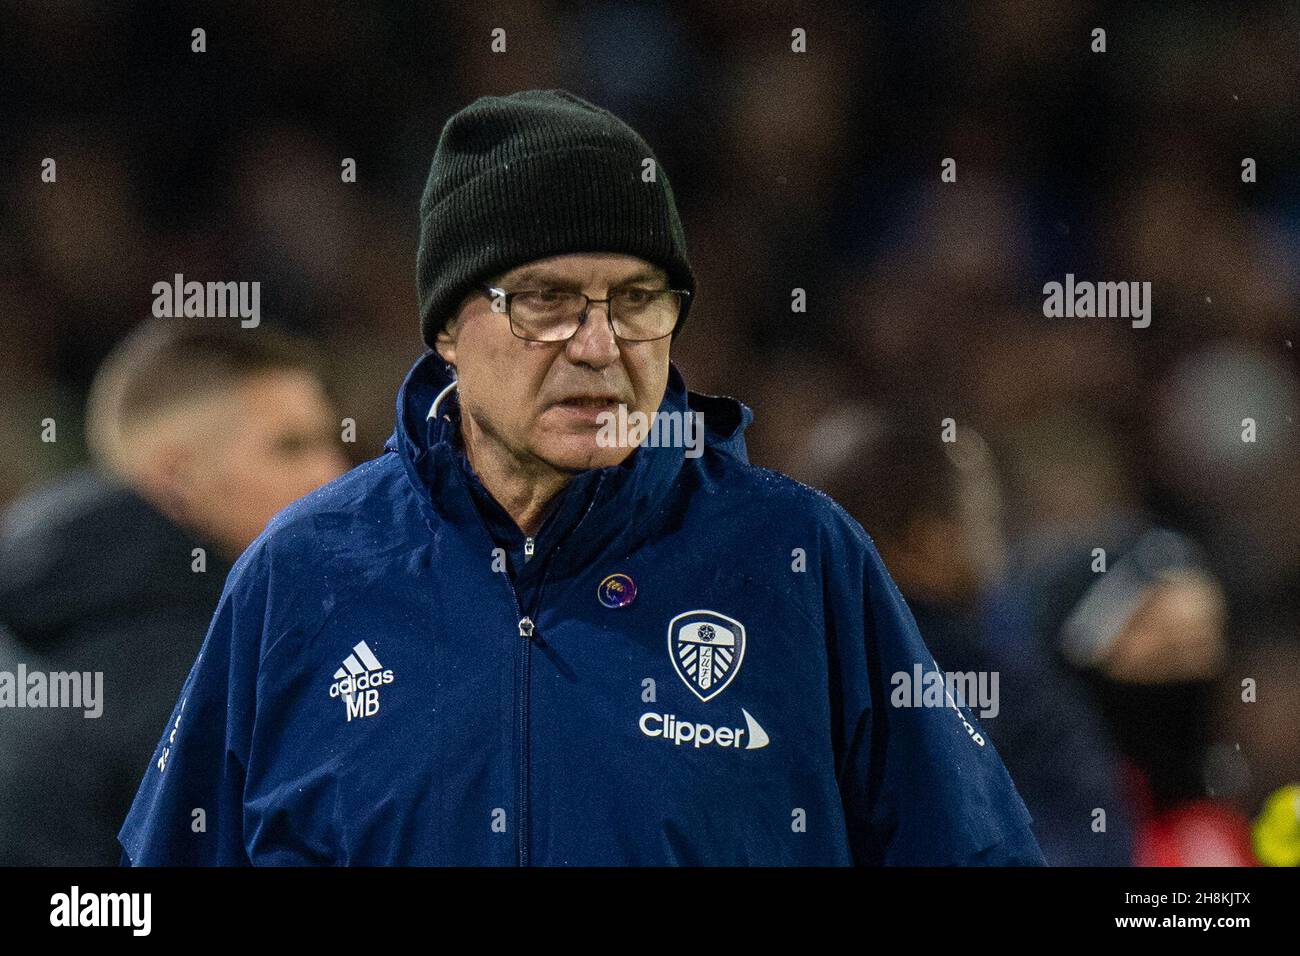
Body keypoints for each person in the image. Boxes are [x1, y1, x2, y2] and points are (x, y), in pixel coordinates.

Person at [118, 89, 1044, 866]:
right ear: (446, 329)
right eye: (547, 302)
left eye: (638, 300)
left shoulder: (800, 562)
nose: (599, 347)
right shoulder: (301, 574)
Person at [0, 319, 346, 864]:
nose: (332, 474)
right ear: (176, 478)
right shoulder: (192, 659)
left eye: (329, 442)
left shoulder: (50, 608)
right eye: (290, 448)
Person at [810, 409, 1136, 865]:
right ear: (928, 541)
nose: (996, 539)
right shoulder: (1015, 689)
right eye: (982, 517)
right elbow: (1087, 845)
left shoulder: (776, 674)